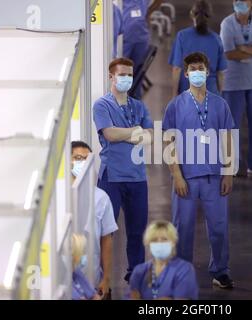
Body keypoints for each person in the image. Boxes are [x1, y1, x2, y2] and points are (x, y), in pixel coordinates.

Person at [162, 52, 236, 289]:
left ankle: (220, 271)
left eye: (200, 68)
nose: (196, 72)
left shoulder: (219, 104)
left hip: (214, 177)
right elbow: (169, 142)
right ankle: (181, 272)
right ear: (186, 74)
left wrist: (228, 172)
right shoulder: (175, 106)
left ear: (207, 72)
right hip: (186, 177)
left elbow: (227, 139)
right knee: (182, 227)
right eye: (192, 69)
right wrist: (176, 175)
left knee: (219, 227)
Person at [93, 57, 154, 283]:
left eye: (129, 75)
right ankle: (101, 276)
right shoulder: (101, 105)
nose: (127, 79)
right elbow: (109, 134)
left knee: (137, 232)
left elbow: (150, 137)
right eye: (122, 75)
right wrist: (134, 131)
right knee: (105, 231)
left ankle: (136, 273)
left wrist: (126, 133)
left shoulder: (139, 106)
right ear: (111, 77)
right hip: (112, 177)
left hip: (137, 178)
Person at [220, 0, 252, 177]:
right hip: (233, 83)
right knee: (231, 125)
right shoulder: (227, 24)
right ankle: (230, 164)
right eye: (236, 0)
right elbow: (229, 53)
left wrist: (243, 48)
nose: (239, 3)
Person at [71, 141, 118, 300]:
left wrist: (106, 279)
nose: (81, 163)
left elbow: (106, 240)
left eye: (85, 159)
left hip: (92, 278)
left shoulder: (101, 198)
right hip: (67, 281)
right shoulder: (58, 197)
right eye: (77, 158)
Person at [169, 0, 227, 96]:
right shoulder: (216, 39)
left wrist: (174, 96)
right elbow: (220, 73)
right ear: (210, 16)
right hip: (210, 93)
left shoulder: (182, 36)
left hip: (187, 93)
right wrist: (219, 95)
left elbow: (176, 69)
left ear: (191, 14)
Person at [130, 220, 199, 300]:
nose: (159, 243)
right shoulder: (139, 271)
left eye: (164, 239)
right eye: (155, 240)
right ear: (148, 243)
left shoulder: (185, 270)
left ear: (173, 242)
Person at [122, 0, 163, 98]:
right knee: (121, 72)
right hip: (124, 37)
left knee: (138, 72)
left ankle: (135, 101)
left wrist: (148, 13)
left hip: (141, 37)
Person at [72, 234, 101, 300]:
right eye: (82, 252)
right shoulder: (65, 280)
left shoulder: (76, 272)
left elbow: (95, 296)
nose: (84, 255)